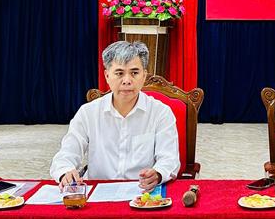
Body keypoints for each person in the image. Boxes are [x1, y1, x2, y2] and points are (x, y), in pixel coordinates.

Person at [50, 41, 180, 190]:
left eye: (134, 73)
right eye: (119, 73)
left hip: (142, 193)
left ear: (144, 75)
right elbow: (66, 155)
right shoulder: (88, 113)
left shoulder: (161, 112)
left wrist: (158, 174)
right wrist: (65, 172)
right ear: (107, 75)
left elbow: (169, 159)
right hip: (98, 193)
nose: (127, 81)